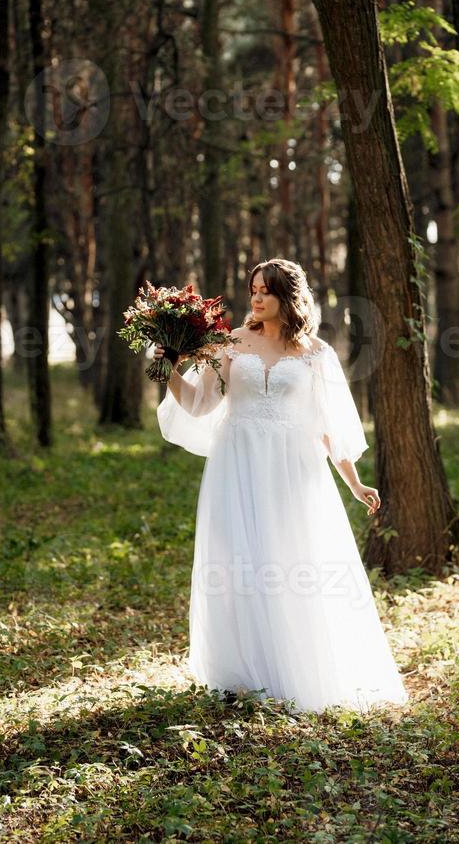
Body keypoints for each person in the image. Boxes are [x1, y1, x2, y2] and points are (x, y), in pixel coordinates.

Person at [153, 258, 409, 714]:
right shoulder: (229, 344)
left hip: (294, 470)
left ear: (287, 298)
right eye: (253, 288)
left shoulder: (315, 353)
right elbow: (197, 406)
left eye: (266, 290)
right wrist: (168, 369)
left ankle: (293, 669)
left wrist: (353, 483)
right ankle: (242, 674)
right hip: (238, 463)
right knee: (239, 563)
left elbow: (329, 427)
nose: (256, 297)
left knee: (292, 561)